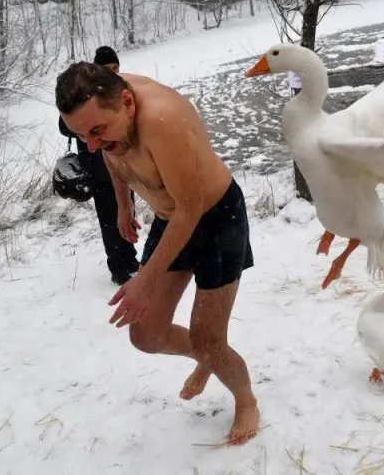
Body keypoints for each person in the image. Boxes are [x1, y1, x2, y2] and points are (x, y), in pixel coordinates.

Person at [54, 62, 259, 446]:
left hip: (215, 217)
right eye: (81, 136)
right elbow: (111, 153)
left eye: (96, 132)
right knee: (146, 335)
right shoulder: (104, 109)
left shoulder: (163, 120)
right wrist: (123, 205)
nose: (91, 145)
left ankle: (245, 398)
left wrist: (143, 281)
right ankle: (208, 356)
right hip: (171, 217)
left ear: (128, 103)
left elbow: (191, 209)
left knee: (209, 340)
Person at [58, 46, 139, 285]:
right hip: (99, 171)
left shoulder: (119, 91)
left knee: (128, 213)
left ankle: (130, 258)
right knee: (109, 222)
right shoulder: (83, 94)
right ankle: (117, 267)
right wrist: (88, 126)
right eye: (107, 68)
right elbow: (64, 126)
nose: (112, 72)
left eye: (115, 67)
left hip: (123, 167)